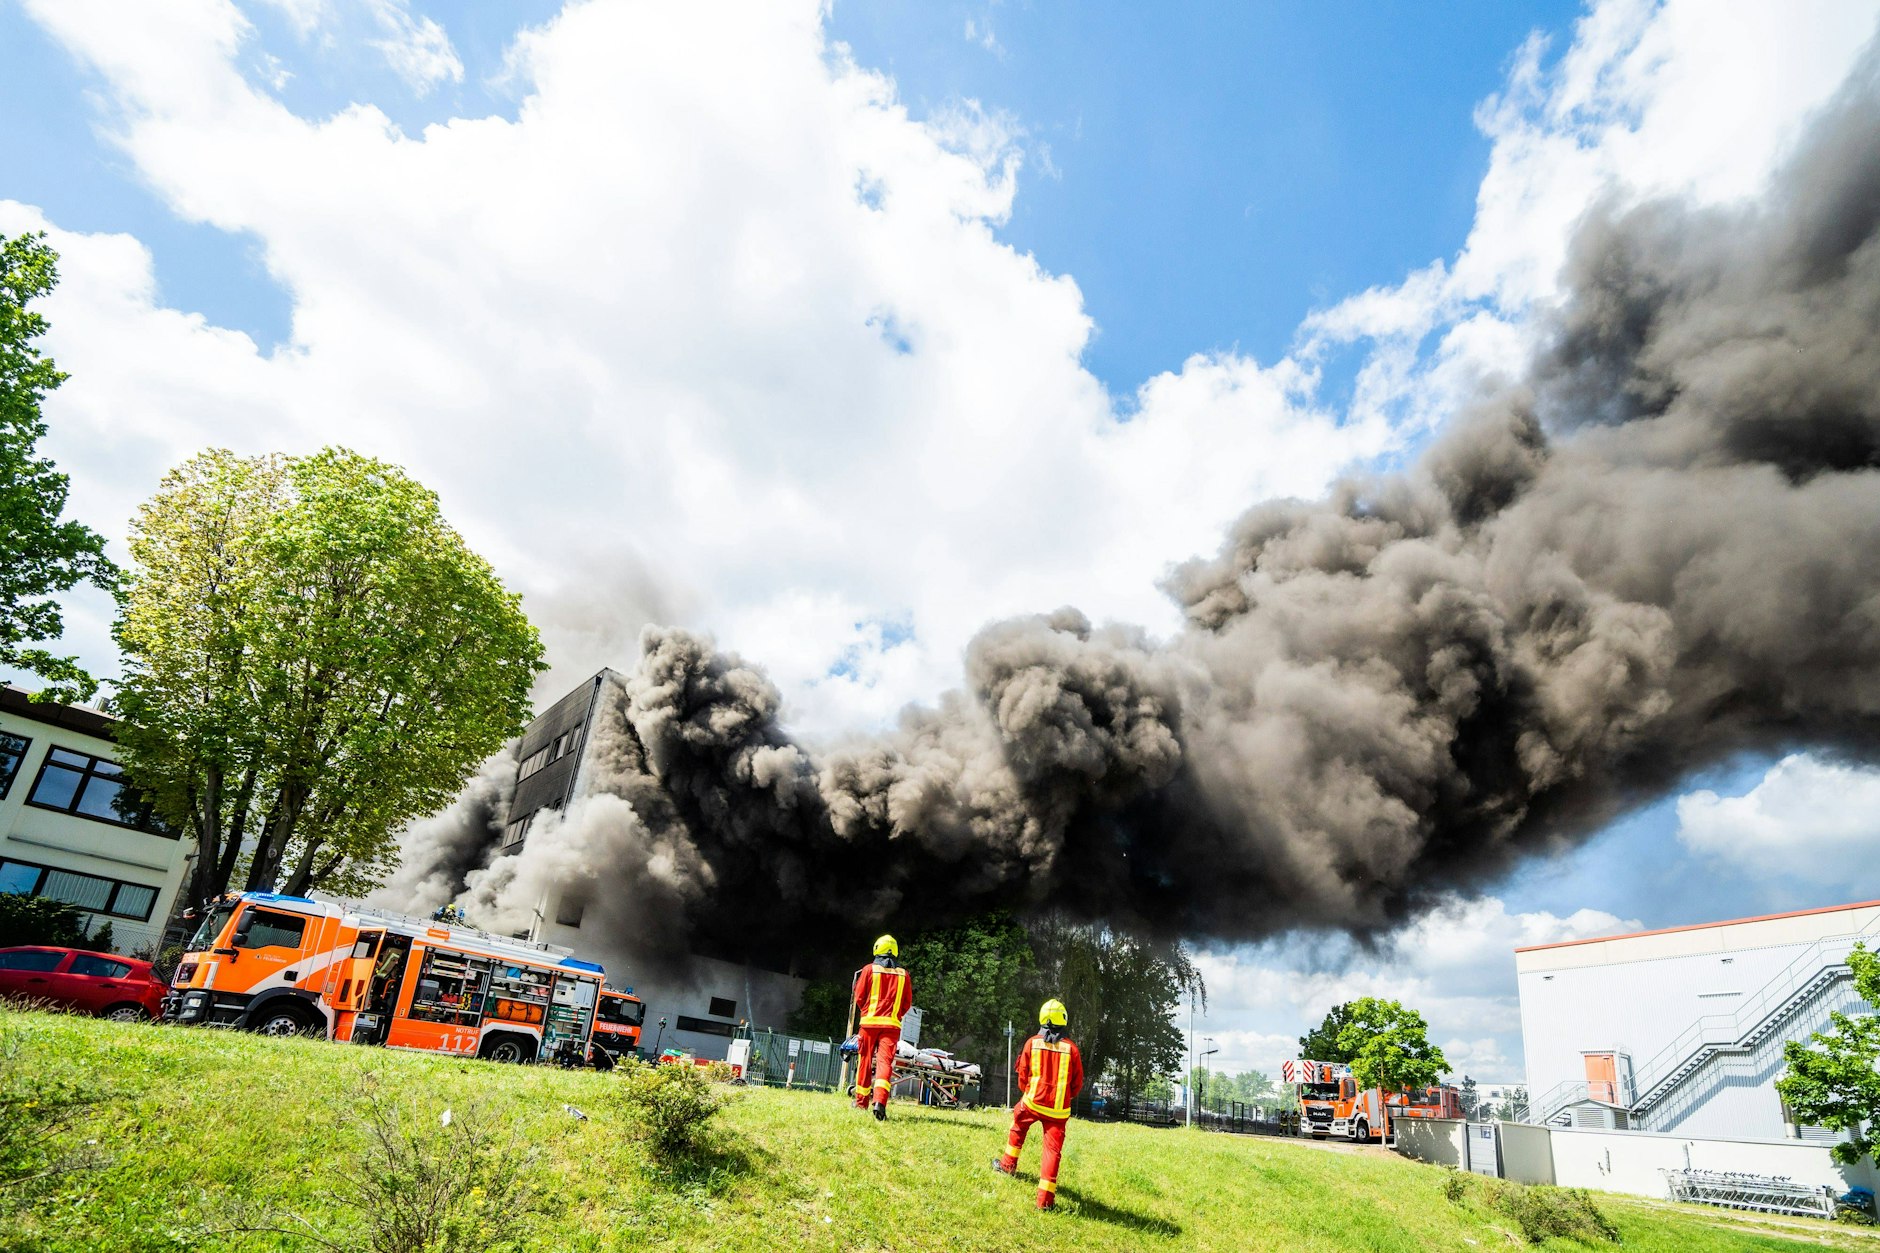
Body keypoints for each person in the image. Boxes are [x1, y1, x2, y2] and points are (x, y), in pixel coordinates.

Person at [992, 998, 1085, 1210]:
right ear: (1063, 1019)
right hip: (1058, 1111)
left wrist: (1027, 1091)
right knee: (1052, 1152)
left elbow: (1022, 1074)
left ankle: (1007, 1166)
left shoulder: (1032, 1043)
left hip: (1032, 1103)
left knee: (1017, 1127)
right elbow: (1077, 1083)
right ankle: (1044, 1202)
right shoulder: (1072, 1049)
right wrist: (1065, 1098)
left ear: (1042, 1018)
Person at [851, 934, 913, 1120]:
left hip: (869, 1024)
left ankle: (861, 1102)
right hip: (891, 1027)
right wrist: (895, 1016)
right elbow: (906, 1003)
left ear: (877, 949)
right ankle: (879, 1102)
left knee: (865, 1061)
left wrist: (867, 1012)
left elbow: (859, 996)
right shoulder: (904, 975)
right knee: (885, 1063)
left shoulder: (869, 970)